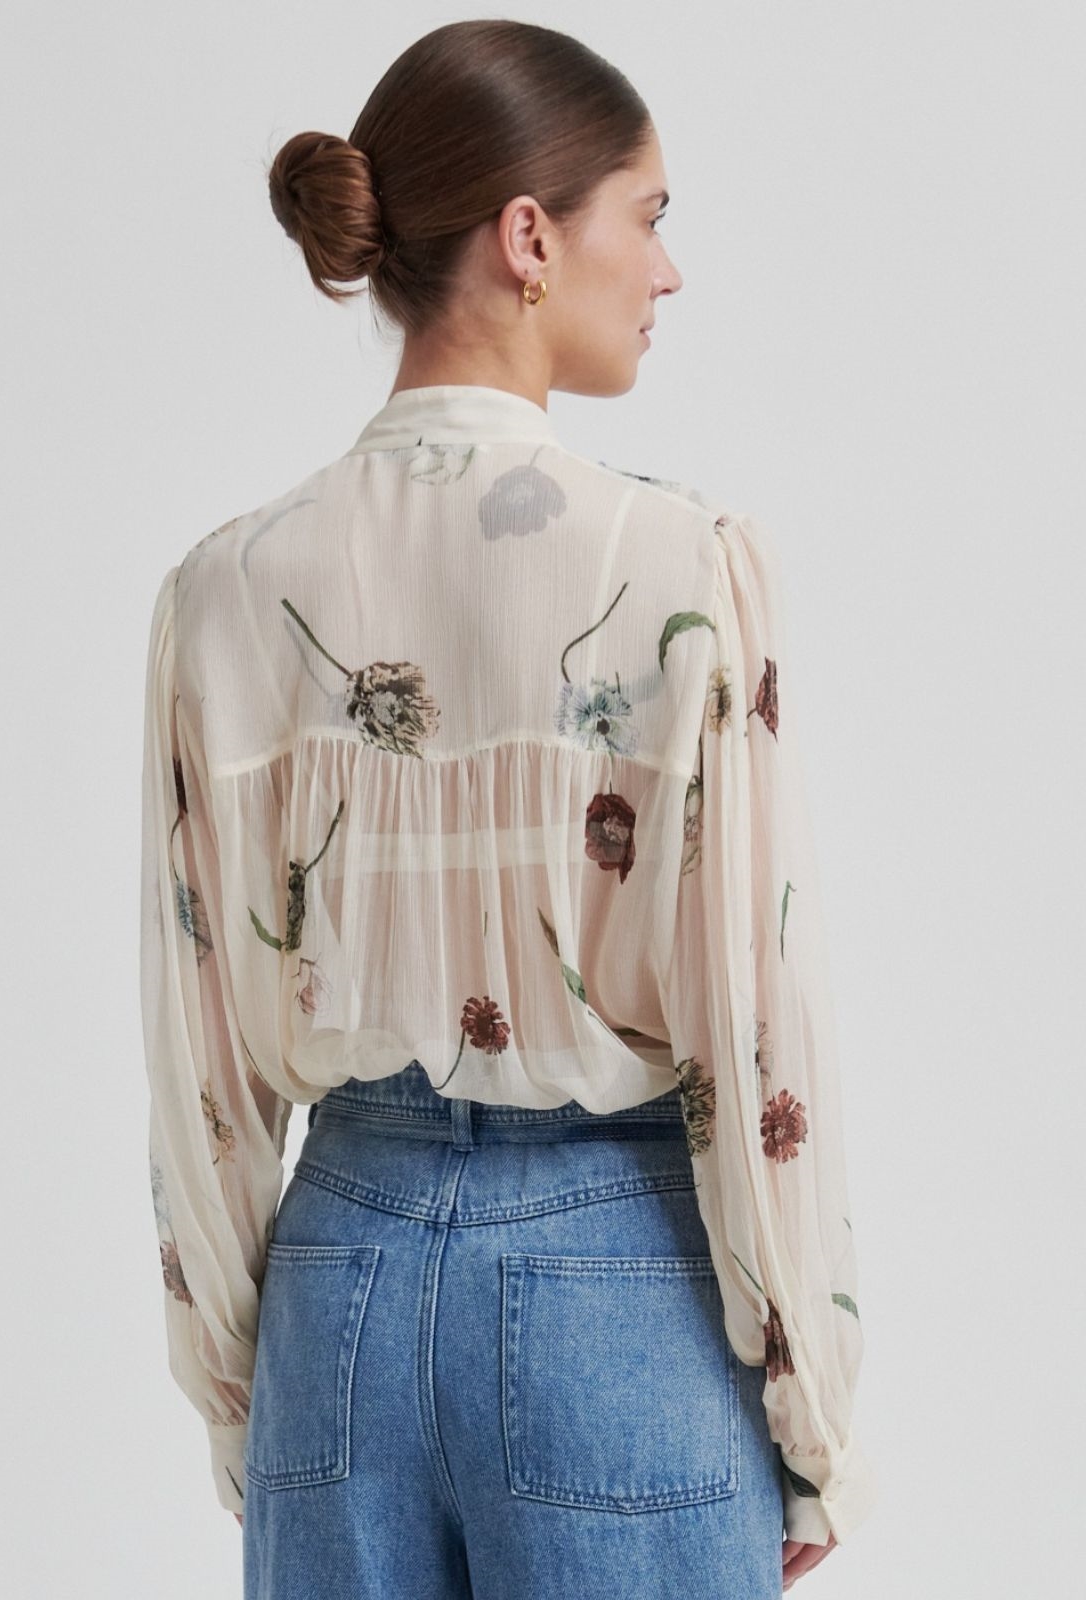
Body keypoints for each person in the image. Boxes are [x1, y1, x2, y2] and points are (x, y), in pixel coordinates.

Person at [139, 19, 877, 1597]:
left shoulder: (223, 591)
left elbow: (198, 1051)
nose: (668, 271)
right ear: (530, 236)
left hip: (337, 1282)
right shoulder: (682, 570)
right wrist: (810, 1406)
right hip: (618, 1278)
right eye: (649, 217)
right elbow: (755, 1024)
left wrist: (248, 1385)